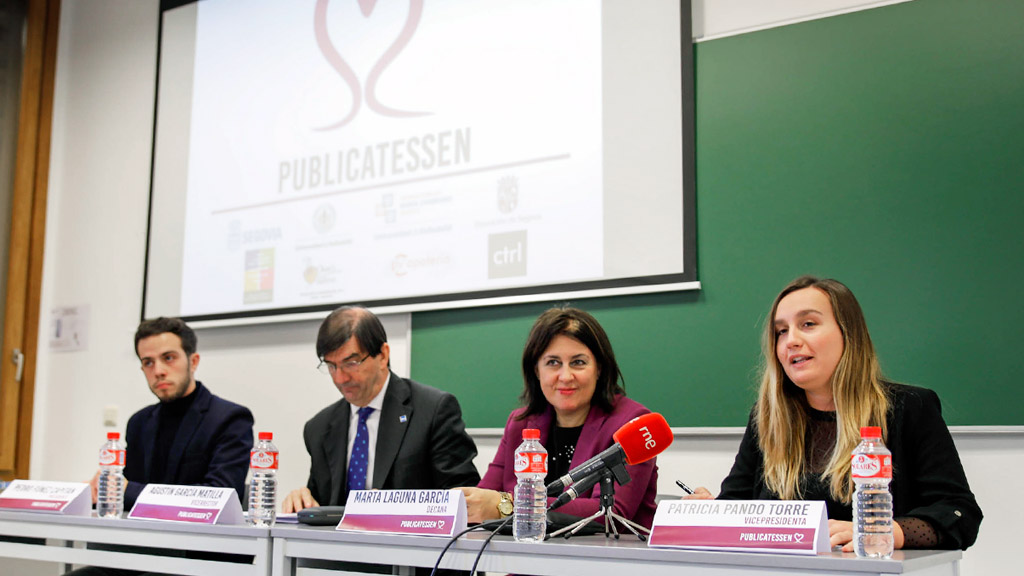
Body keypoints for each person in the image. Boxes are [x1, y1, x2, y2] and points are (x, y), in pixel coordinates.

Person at [686, 276, 982, 551]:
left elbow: (960, 513)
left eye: (809, 324)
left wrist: (887, 531)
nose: (791, 341)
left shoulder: (908, 408)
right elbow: (738, 506)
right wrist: (713, 511)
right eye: (781, 331)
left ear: (848, 333)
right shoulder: (766, 418)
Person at [70, 318, 254, 576]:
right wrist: (96, 492)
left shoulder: (229, 418)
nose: (158, 370)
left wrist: (125, 490)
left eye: (168, 358)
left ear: (193, 361)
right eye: (148, 362)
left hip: (202, 558)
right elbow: (125, 493)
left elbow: (219, 496)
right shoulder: (139, 422)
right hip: (143, 552)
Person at [460, 307, 659, 528]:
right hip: (525, 557)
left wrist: (511, 505)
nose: (565, 376)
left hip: (610, 556)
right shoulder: (520, 423)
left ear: (599, 368)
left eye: (578, 362)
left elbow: (611, 513)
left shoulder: (633, 424)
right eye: (553, 362)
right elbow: (486, 496)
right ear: (536, 370)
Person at [283, 306, 480, 512]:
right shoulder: (319, 428)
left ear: (383, 355)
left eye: (351, 363)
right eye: (332, 366)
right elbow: (322, 503)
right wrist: (304, 500)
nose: (340, 378)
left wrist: (395, 507)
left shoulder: (433, 411)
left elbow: (464, 499)